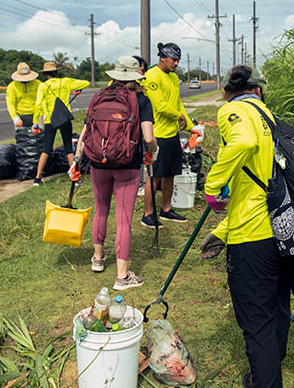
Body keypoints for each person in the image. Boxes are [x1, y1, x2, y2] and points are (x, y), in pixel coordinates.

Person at [199, 65, 294, 388]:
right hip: (283, 228)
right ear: (258, 91)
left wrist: (213, 185)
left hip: (252, 234)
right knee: (279, 304)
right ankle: (270, 367)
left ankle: (265, 384)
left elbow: (242, 141)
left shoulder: (233, 109)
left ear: (227, 93)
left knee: (256, 321)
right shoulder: (269, 116)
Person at [73, 56, 157, 289]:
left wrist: (78, 159)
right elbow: (148, 137)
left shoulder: (99, 97)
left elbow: (86, 131)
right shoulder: (141, 100)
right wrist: (153, 152)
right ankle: (122, 276)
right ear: (135, 76)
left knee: (101, 210)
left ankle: (98, 259)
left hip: (97, 163)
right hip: (127, 166)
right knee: (123, 220)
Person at [141, 42, 200, 227]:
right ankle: (148, 214)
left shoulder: (174, 79)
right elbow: (160, 105)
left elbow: (177, 104)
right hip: (156, 134)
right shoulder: (151, 76)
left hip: (172, 133)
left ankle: (166, 209)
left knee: (171, 174)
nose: (176, 64)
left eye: (178, 60)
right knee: (155, 175)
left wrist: (191, 126)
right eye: (173, 60)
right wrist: (179, 116)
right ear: (162, 58)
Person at [32, 61, 89, 186]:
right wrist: (77, 89)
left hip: (49, 120)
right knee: (68, 148)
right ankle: (75, 178)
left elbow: (38, 105)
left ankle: (37, 178)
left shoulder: (43, 86)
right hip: (64, 119)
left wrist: (35, 122)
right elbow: (86, 83)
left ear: (46, 74)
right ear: (56, 72)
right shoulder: (65, 82)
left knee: (46, 149)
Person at [133, 55, 150, 198]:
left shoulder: (106, 91)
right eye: (142, 70)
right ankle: (139, 185)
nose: (144, 73)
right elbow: (149, 138)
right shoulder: (139, 96)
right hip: (133, 134)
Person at [5, 62, 40, 128]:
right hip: (20, 116)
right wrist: (14, 116)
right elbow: (10, 103)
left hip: (37, 115)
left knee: (39, 136)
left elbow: (43, 100)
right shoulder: (12, 86)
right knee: (21, 137)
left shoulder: (38, 84)